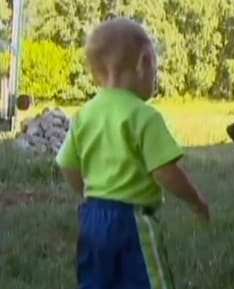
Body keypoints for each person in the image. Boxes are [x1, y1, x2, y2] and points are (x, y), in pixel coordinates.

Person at [55, 17, 210, 289]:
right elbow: (165, 171)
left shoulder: (84, 115)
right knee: (150, 281)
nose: (155, 77)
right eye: (155, 69)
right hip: (131, 220)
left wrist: (89, 194)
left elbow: (68, 164)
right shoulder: (144, 116)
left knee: (95, 281)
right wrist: (195, 200)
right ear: (145, 62)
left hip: (91, 218)